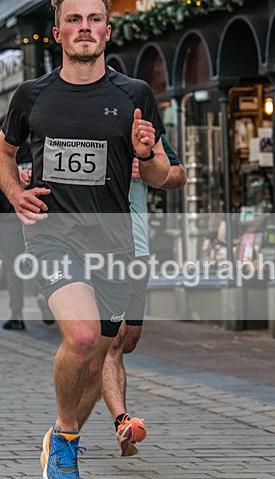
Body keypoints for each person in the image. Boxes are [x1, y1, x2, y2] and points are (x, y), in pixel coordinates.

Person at [0, 0, 170, 479]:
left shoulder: (134, 94)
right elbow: (1, 153)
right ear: (57, 32)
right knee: (84, 335)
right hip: (54, 237)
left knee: (96, 364)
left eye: (93, 19)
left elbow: (158, 177)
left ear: (108, 31)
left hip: (113, 244)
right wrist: (14, 193)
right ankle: (67, 445)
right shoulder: (33, 95)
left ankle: (59, 437)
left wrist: (146, 152)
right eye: (74, 19)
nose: (84, 28)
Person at [101, 135, 186, 457]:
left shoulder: (141, 132)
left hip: (137, 249)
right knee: (112, 338)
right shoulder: (79, 125)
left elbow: (178, 175)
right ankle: (121, 421)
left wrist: (150, 167)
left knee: (128, 339)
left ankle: (90, 381)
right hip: (96, 249)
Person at [0, 121, 33, 330]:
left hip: (9, 219)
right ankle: (46, 303)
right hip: (34, 215)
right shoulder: (33, 152)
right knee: (40, 261)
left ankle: (17, 313)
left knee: (14, 266)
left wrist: (0, 215)